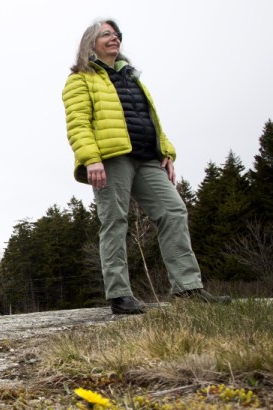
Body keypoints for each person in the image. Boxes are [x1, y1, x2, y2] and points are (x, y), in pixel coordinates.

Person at [62, 19, 230, 314]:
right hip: (111, 158)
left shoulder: (131, 77)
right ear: (91, 43)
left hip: (147, 158)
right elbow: (78, 124)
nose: (114, 38)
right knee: (114, 220)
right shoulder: (81, 79)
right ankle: (120, 295)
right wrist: (92, 158)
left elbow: (151, 118)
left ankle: (187, 288)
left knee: (173, 211)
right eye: (106, 34)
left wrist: (166, 152)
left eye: (116, 34)